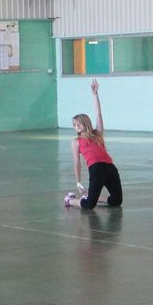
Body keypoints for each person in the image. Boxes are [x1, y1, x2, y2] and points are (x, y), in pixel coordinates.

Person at [64, 78, 123, 210]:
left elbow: (98, 113)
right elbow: (77, 163)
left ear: (86, 123)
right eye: (74, 124)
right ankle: (70, 200)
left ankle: (90, 195)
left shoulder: (97, 133)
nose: (76, 126)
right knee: (89, 205)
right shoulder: (76, 141)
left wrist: (95, 94)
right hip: (96, 168)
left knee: (116, 200)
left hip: (110, 167)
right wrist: (78, 181)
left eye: (79, 123)